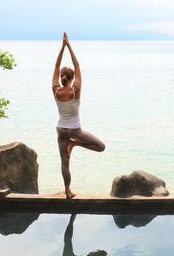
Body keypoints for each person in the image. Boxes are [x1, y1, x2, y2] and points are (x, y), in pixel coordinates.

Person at [53, 32, 105, 199]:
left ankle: (67, 191)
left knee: (64, 163)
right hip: (75, 131)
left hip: (61, 129)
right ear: (72, 78)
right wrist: (69, 46)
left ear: (61, 78)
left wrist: (61, 48)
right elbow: (77, 65)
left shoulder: (55, 89)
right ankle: (75, 145)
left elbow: (56, 66)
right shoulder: (76, 89)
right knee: (101, 146)